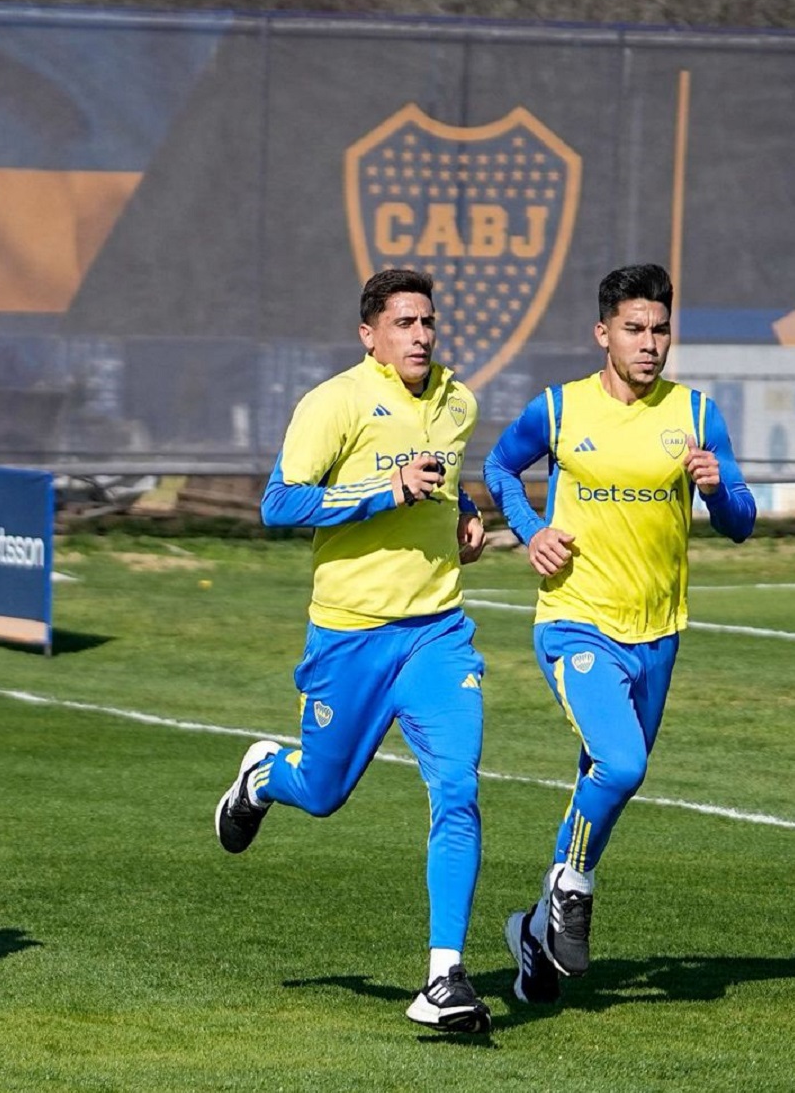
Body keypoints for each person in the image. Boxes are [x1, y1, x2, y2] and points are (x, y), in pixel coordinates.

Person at [213, 267, 492, 1034]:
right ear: (369, 334)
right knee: (325, 791)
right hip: (350, 637)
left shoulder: (457, 401)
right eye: (405, 323)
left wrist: (464, 512)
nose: (422, 335)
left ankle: (445, 978)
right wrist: (383, 489)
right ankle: (264, 779)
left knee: (459, 789)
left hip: (437, 633)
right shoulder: (333, 402)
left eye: (428, 322)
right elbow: (280, 502)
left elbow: (445, 479)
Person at [483, 263, 754, 1005]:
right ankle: (569, 885)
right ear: (603, 333)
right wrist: (531, 530)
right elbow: (500, 464)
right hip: (575, 621)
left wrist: (718, 488)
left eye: (660, 329)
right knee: (622, 763)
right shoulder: (558, 409)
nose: (649, 343)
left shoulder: (697, 416)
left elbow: (741, 522)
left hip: (658, 634)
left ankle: (535, 936)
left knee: (602, 781)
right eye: (634, 329)